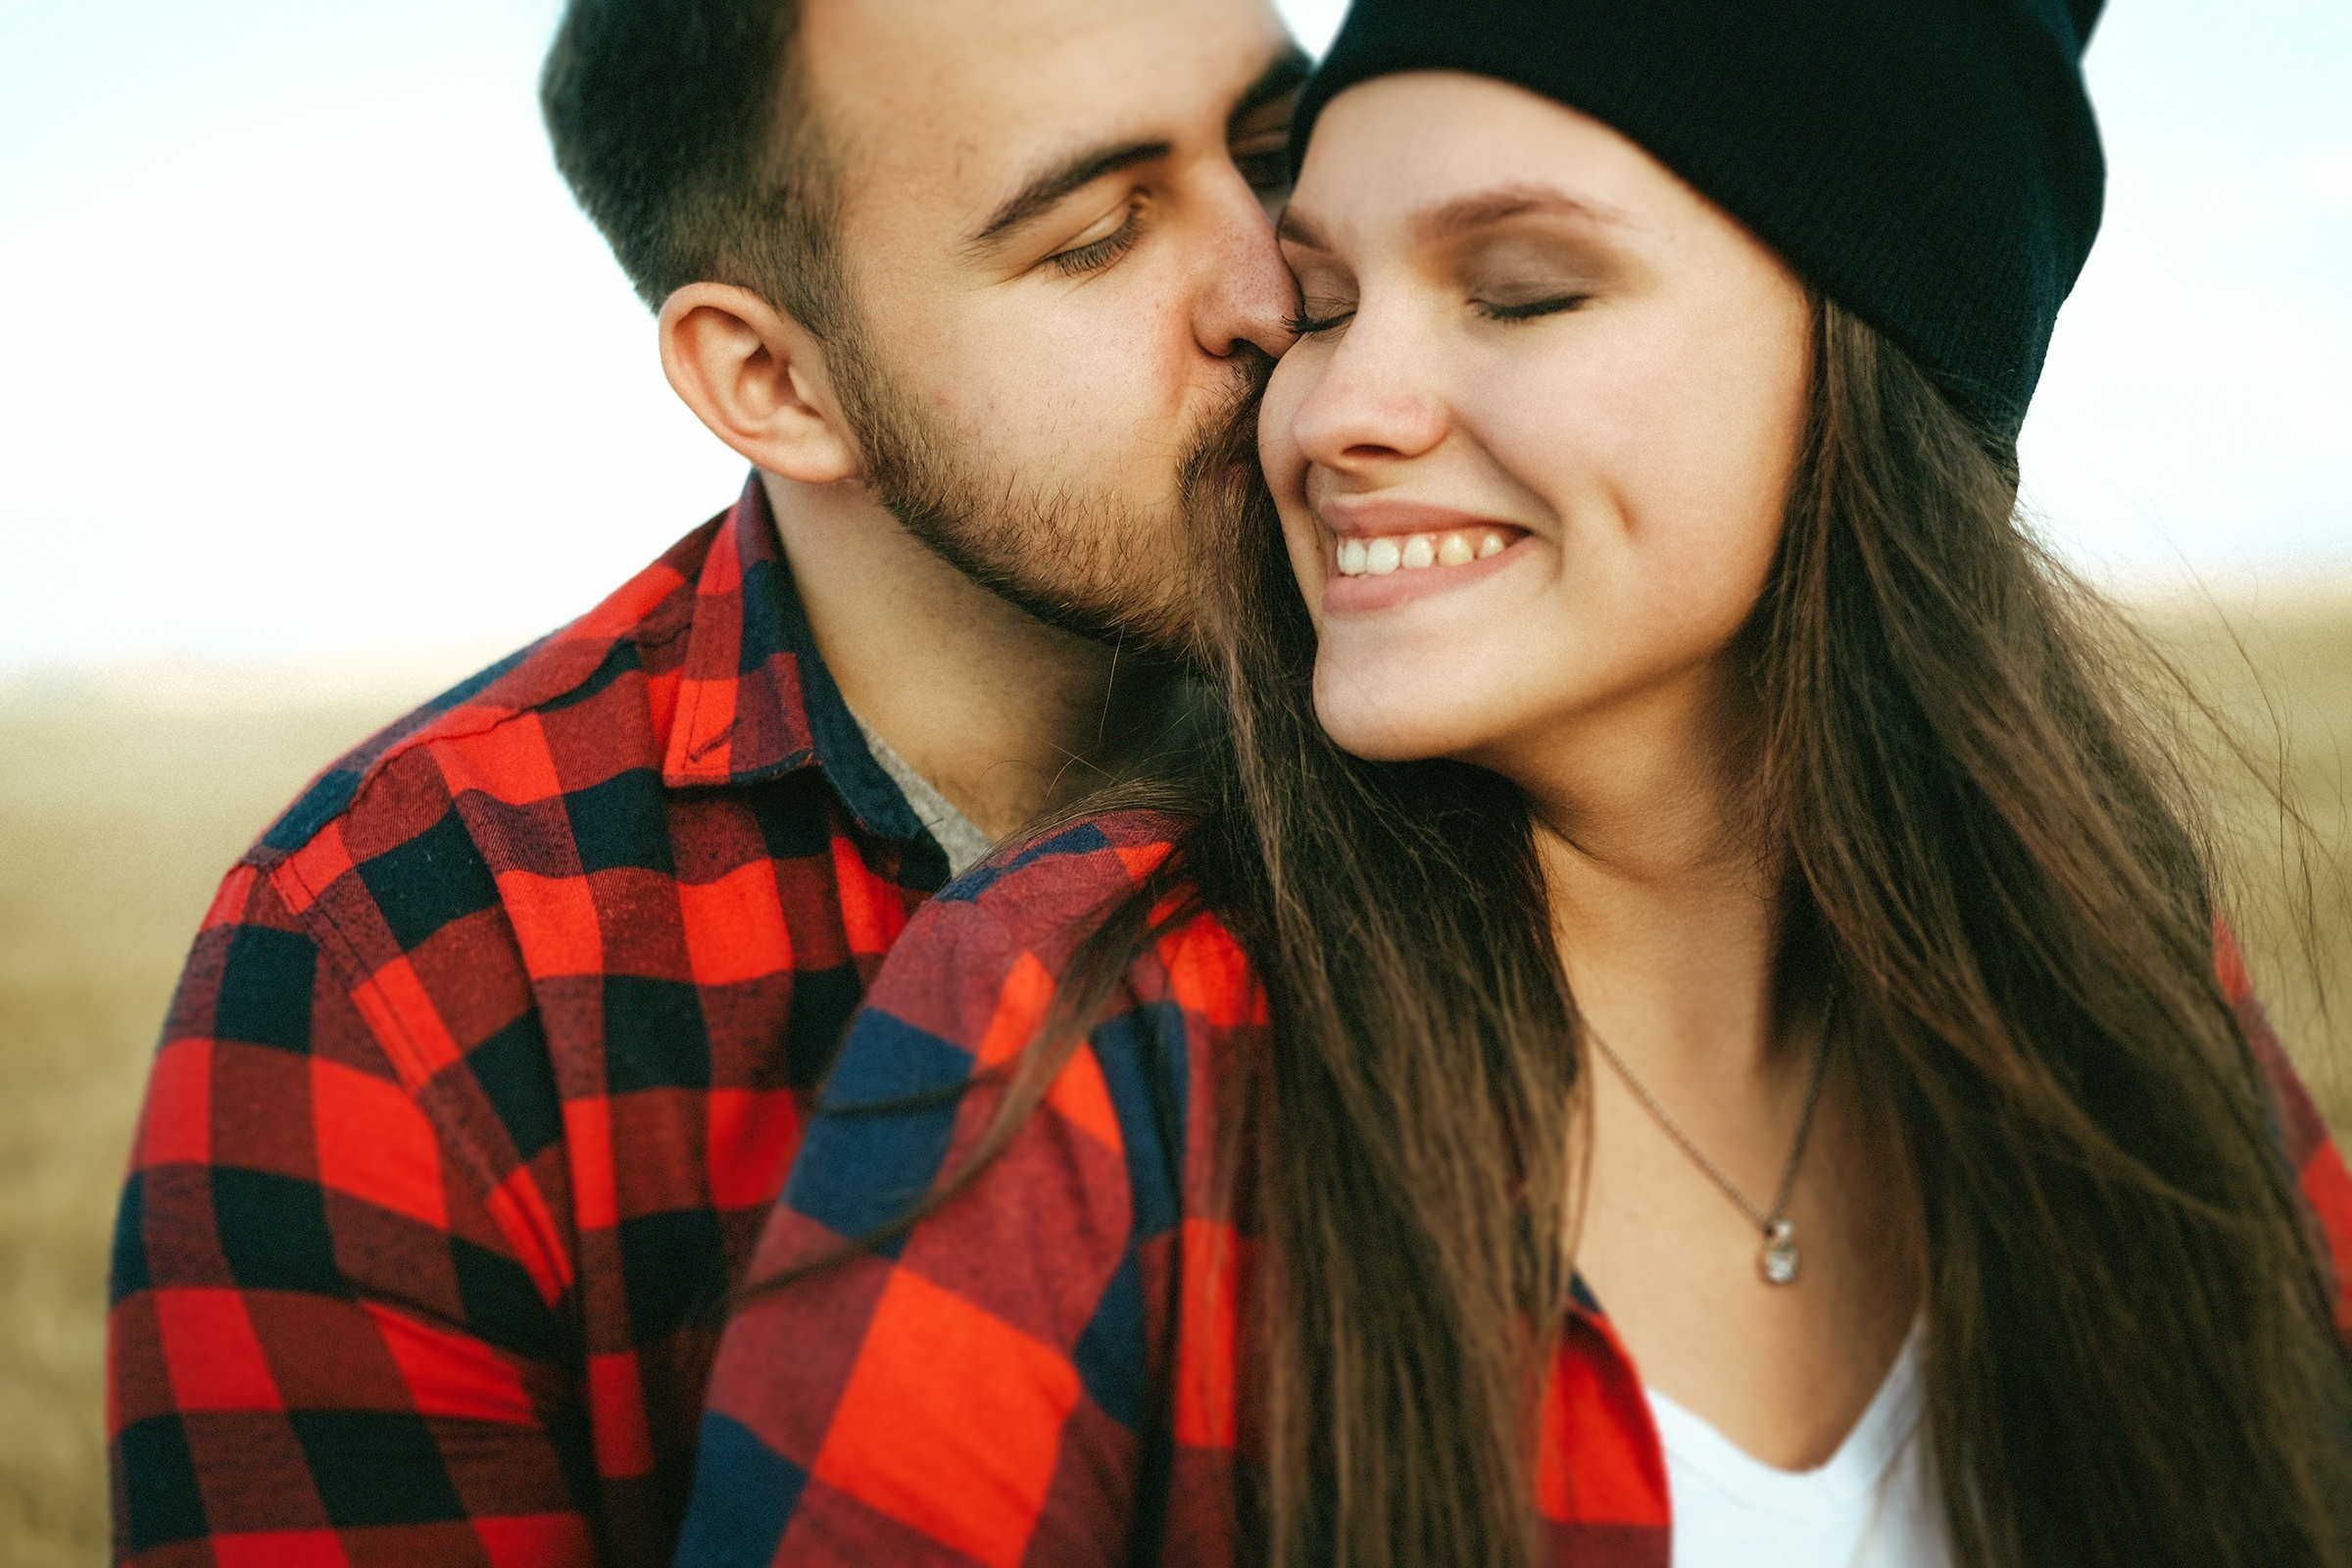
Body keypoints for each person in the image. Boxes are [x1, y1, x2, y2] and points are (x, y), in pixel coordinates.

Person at [679, 0, 2352, 1564]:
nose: (1331, 405)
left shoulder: (2107, 965)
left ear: (1880, 363)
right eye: (1325, 302)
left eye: (1525, 290)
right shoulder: (1089, 1038)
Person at [103, 1, 1306, 1562]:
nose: (1273, 289)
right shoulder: (396, 966)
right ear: (774, 383)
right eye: (1091, 237)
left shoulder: (1533, 705)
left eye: (1277, 154)